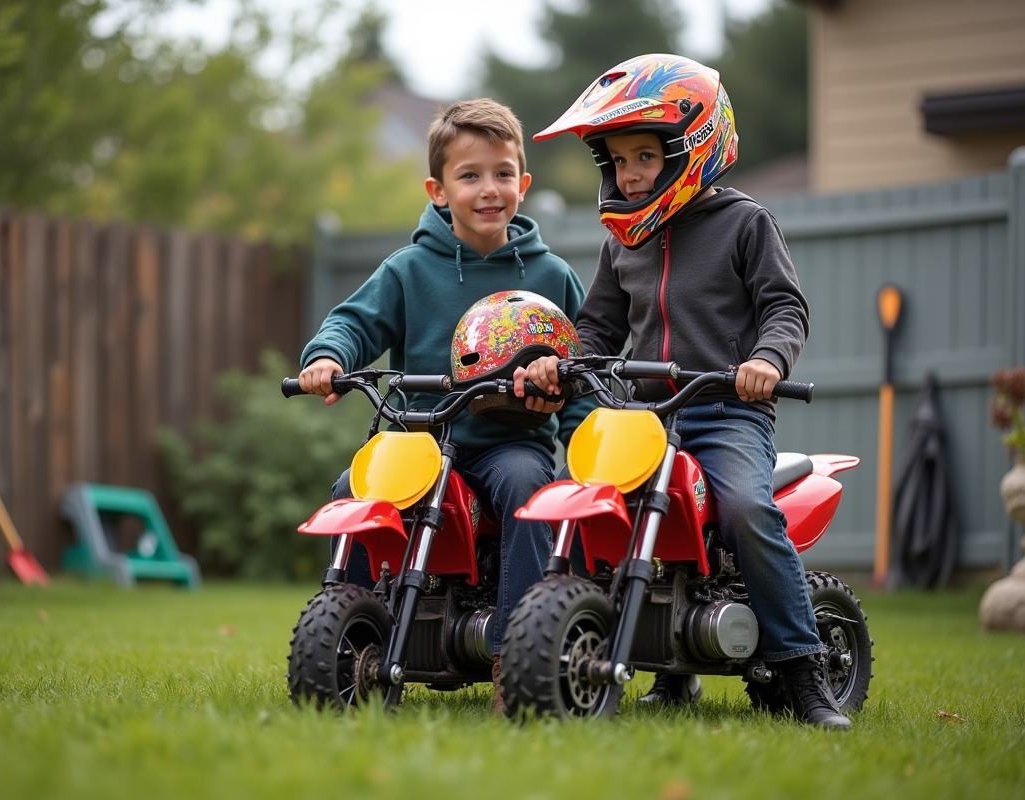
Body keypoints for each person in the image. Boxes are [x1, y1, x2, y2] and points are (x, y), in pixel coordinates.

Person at [515, 54, 852, 730]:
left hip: (727, 412)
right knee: (579, 504)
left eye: (645, 154)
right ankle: (608, 655)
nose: (631, 172)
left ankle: (804, 672)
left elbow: (786, 307)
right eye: (617, 160)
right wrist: (559, 363)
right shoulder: (624, 241)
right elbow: (600, 328)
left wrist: (767, 360)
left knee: (747, 511)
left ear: (693, 148)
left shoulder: (745, 223)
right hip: (642, 417)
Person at [298, 98, 591, 714]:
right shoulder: (408, 270)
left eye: (503, 173)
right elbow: (354, 323)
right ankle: (351, 640)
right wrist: (328, 358)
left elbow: (579, 374)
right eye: (470, 175)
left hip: (508, 443)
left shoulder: (552, 275)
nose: (490, 190)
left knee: (528, 490)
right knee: (350, 488)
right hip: (421, 436)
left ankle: (521, 649)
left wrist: (584, 440)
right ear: (438, 189)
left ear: (524, 183)